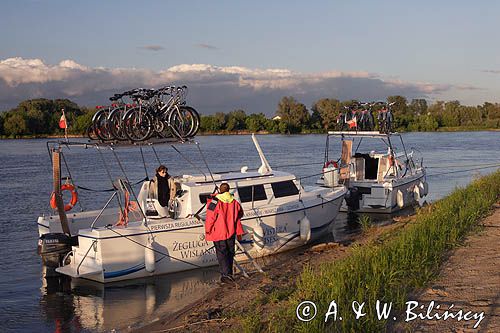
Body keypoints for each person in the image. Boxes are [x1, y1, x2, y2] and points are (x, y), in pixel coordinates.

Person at [205, 183, 244, 283]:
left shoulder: (215, 201)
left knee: (222, 254)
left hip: (219, 232)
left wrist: (208, 229)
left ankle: (225, 276)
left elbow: (210, 217)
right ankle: (229, 274)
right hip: (231, 231)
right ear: (228, 190)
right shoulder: (234, 201)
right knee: (230, 252)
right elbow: (241, 213)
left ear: (220, 190)